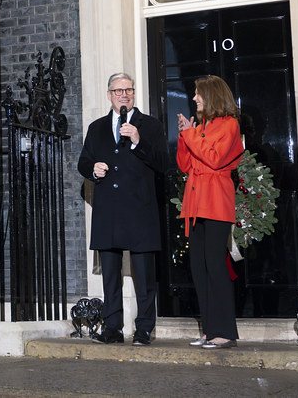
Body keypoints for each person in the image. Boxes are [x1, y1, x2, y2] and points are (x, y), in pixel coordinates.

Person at [78, 72, 167, 346]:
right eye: (118, 91)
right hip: (109, 211)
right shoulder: (97, 127)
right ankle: (112, 327)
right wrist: (92, 169)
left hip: (140, 210)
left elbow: (163, 163)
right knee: (111, 276)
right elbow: (83, 162)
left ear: (134, 93)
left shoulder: (149, 125)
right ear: (109, 95)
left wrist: (138, 140)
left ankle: (144, 329)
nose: (124, 95)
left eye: (128, 90)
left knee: (144, 277)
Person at [177, 74, 245, 350]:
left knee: (215, 267)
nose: (194, 98)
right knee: (199, 268)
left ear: (211, 95)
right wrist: (185, 135)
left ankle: (225, 331)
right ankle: (209, 329)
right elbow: (184, 164)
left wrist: (191, 135)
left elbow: (214, 159)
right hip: (195, 202)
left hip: (215, 201)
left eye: (198, 94)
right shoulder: (202, 125)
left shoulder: (229, 125)